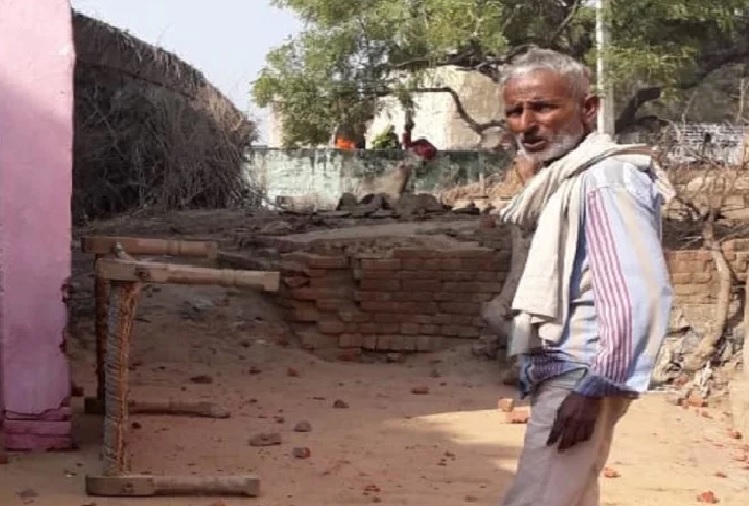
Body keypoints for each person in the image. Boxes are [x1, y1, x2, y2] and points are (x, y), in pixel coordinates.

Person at [495, 47, 675, 506]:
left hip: (582, 374)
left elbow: (636, 291)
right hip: (566, 369)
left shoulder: (606, 179)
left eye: (543, 107)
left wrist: (594, 389)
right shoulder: (567, 179)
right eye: (515, 111)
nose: (526, 124)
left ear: (589, 108)